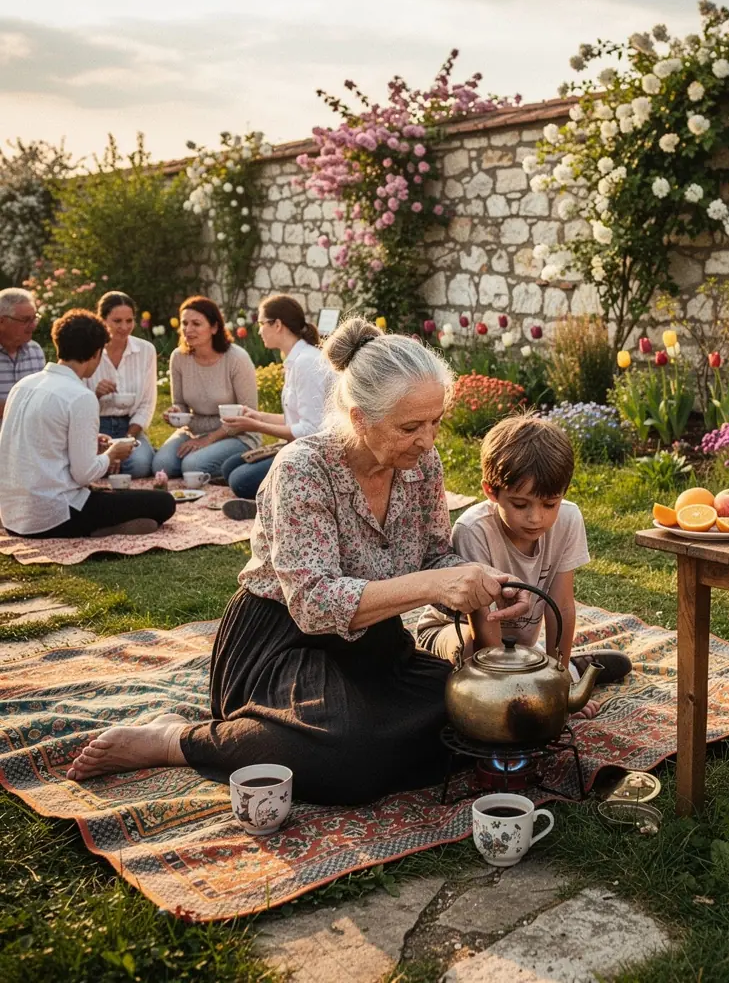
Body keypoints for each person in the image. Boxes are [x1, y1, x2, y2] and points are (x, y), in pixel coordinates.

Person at [67, 317, 531, 804]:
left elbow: (435, 554)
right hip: (284, 643)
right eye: (411, 426)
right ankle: (175, 740)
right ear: (359, 418)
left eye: (436, 421)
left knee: (471, 715)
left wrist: (481, 582)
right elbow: (313, 604)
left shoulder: (422, 466)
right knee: (347, 753)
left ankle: (362, 732)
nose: (428, 440)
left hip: (374, 646)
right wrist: (433, 587)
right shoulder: (302, 469)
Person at [417, 414, 632, 711]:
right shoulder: (472, 530)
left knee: (536, 672)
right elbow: (482, 622)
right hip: (455, 634)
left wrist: (560, 690)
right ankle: (551, 672)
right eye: (520, 504)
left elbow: (562, 606)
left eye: (549, 504)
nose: (536, 517)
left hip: (520, 648)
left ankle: (568, 670)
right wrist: (501, 703)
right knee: (466, 664)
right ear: (491, 491)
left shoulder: (569, 519)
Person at [0, 309, 176, 538]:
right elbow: (85, 474)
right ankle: (103, 529)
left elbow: (38, 440)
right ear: (96, 353)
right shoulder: (79, 396)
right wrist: (112, 453)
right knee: (164, 502)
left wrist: (91, 442)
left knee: (112, 497)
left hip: (12, 515)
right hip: (55, 515)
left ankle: (105, 525)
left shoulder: (24, 385)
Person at [218, 294, 332, 520]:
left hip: (316, 454)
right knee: (229, 467)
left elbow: (312, 430)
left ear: (277, 324)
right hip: (297, 446)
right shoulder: (294, 360)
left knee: (240, 481)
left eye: (261, 324)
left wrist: (255, 426)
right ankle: (272, 498)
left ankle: (272, 505)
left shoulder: (306, 362)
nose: (258, 331)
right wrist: (257, 416)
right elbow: (296, 418)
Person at [151, 296, 259, 478]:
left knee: (192, 466)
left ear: (214, 327)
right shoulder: (179, 357)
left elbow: (247, 415)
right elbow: (180, 404)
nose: (188, 329)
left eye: (196, 324)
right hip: (195, 431)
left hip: (237, 434)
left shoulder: (237, 359)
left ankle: (238, 468)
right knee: (162, 465)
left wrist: (208, 440)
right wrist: (175, 412)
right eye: (184, 323)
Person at [83, 291, 157, 478]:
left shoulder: (146, 350)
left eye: (129, 321)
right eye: (117, 321)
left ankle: (109, 467)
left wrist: (128, 438)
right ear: (102, 320)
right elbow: (76, 405)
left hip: (129, 426)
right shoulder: (87, 350)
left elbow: (147, 403)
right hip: (95, 426)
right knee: (88, 465)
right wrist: (95, 394)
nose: (124, 327)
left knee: (140, 465)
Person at [0, 287, 45, 421]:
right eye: (25, 320)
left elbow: (42, 398)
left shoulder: (35, 351)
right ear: (1, 321)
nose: (33, 326)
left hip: (27, 440)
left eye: (34, 318)